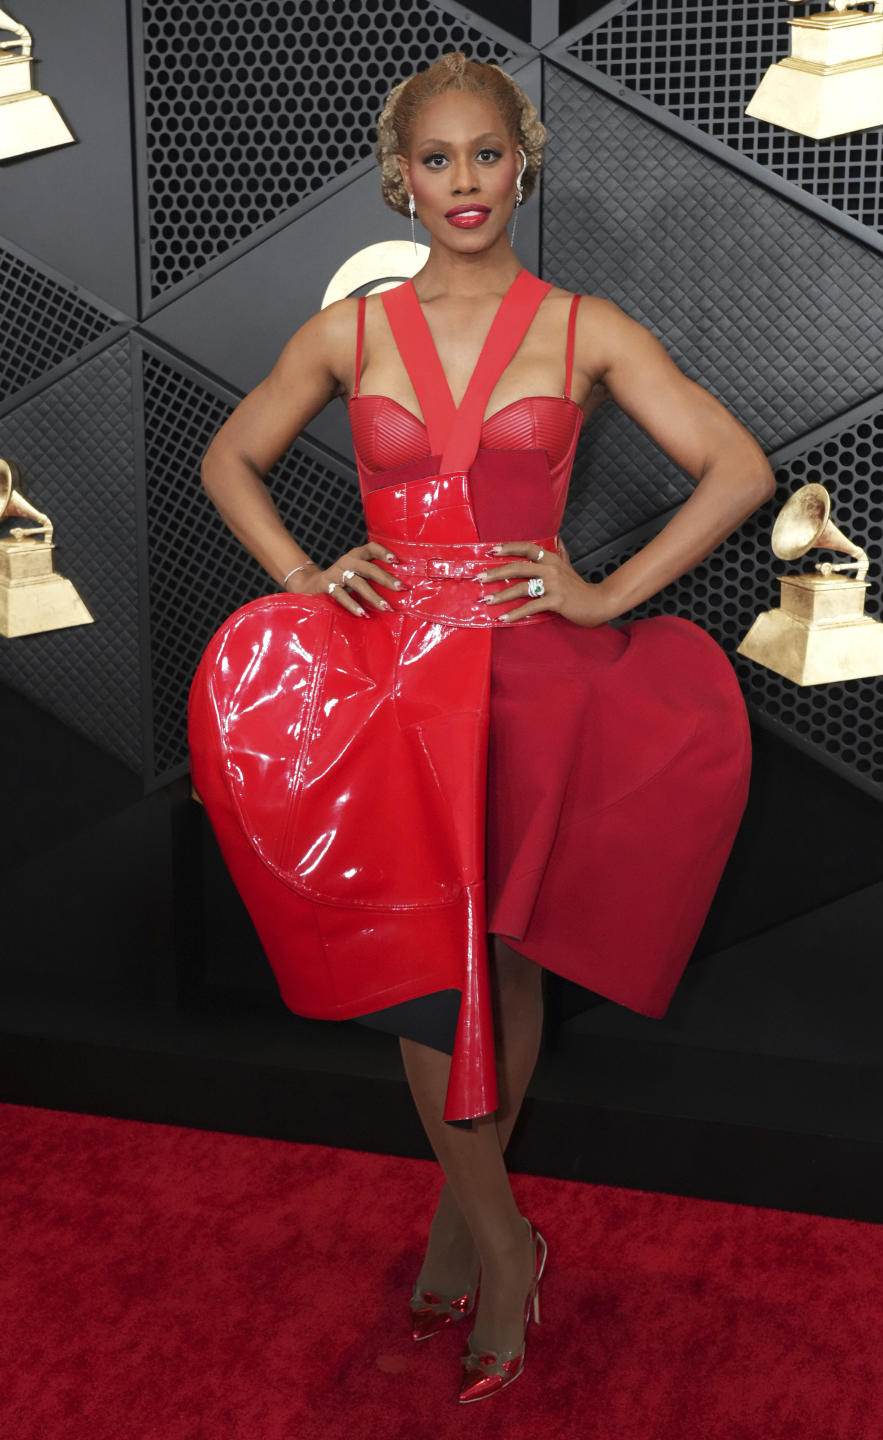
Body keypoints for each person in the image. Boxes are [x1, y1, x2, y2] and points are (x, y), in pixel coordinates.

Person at [189, 51, 776, 1406]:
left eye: (488, 154)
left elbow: (736, 466)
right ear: (403, 176)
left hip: (532, 687)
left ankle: (466, 1223)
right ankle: (505, 1239)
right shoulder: (356, 329)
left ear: (526, 160)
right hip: (395, 688)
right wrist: (303, 575)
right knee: (424, 961)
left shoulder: (586, 326)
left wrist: (605, 591)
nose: (464, 181)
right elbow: (231, 456)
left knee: (506, 951)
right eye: (438, 159)